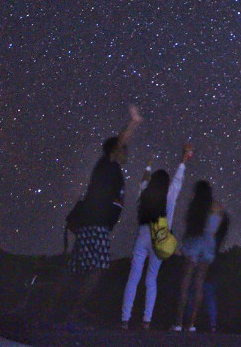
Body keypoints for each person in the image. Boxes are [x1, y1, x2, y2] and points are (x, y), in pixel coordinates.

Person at [67, 105, 143, 323]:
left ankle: (64, 308)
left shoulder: (110, 170)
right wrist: (133, 122)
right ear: (114, 151)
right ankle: (74, 311)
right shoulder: (107, 163)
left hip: (95, 225)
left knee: (80, 268)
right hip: (96, 226)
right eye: (123, 148)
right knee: (95, 269)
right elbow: (119, 141)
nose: (126, 151)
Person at [120, 143, 193, 330]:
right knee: (151, 279)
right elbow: (178, 180)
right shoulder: (169, 196)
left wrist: (149, 164)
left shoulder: (144, 193)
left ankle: (125, 319)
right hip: (159, 239)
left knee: (133, 277)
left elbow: (143, 180)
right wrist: (184, 159)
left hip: (142, 237)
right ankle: (147, 320)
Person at [171, 181, 225, 332]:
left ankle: (178, 323)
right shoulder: (218, 207)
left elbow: (189, 227)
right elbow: (217, 229)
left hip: (194, 242)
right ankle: (192, 324)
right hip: (208, 245)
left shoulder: (195, 206)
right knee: (199, 283)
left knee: (185, 282)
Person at [183, 212, 230, 333]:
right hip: (214, 264)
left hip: (207, 262)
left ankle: (187, 321)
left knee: (195, 291)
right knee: (210, 295)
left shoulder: (208, 236)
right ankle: (212, 324)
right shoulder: (219, 236)